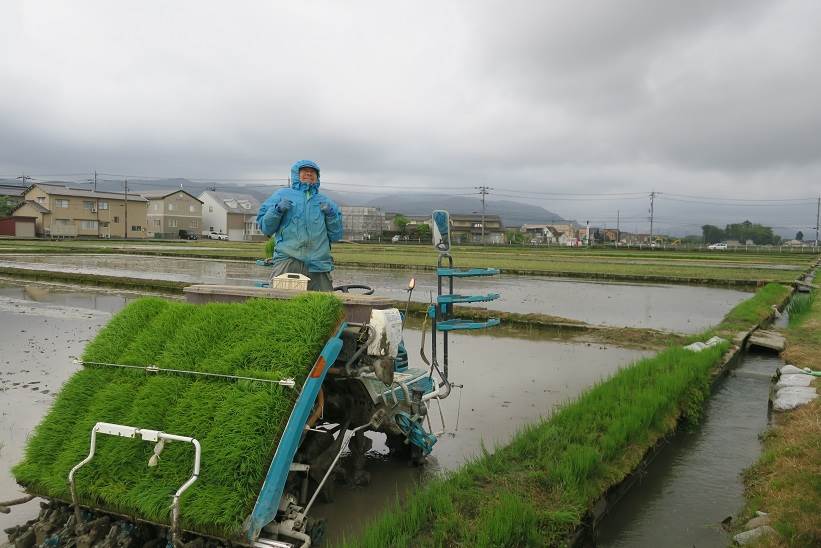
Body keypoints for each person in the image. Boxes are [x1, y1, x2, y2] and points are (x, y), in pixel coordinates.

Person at [257, 160, 343, 291]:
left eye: (313, 172)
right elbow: (266, 227)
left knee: (322, 306)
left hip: (319, 265)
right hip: (288, 261)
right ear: (296, 175)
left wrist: (331, 215)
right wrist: (277, 210)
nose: (309, 173)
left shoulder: (325, 201)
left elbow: (336, 235)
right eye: (304, 171)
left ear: (317, 177)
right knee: (282, 303)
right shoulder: (282, 195)